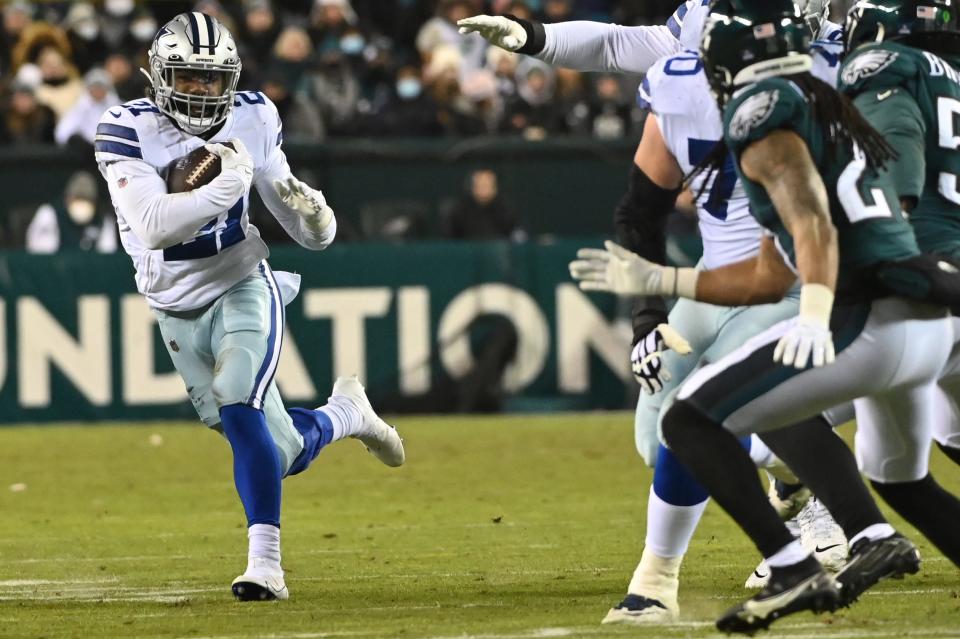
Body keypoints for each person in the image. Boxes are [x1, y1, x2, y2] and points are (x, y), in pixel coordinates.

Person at [570, 0, 959, 631]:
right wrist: (661, 284)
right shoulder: (830, 94)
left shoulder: (763, 109)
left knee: (695, 419)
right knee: (904, 480)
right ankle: (856, 530)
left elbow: (809, 227)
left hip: (866, 314)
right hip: (925, 319)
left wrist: (811, 314)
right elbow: (773, 265)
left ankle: (788, 562)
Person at [463, 0, 849, 625]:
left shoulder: (839, 68)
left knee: (701, 418)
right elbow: (639, 195)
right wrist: (648, 318)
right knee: (657, 438)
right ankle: (794, 469)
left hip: (805, 285)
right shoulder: (686, 72)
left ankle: (657, 579)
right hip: (716, 283)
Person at [93, 11, 405, 602]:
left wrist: (316, 217)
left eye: (212, 79)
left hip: (241, 281)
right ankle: (346, 415)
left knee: (240, 406)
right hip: (173, 304)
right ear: (160, 77)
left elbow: (302, 226)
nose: (202, 90)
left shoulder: (255, 114)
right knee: (277, 450)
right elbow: (154, 225)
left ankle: (265, 565)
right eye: (188, 78)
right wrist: (226, 185)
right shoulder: (124, 127)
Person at [838, 0, 960, 565]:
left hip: (925, 288)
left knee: (889, 470)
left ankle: (803, 536)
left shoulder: (890, 67)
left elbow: (893, 180)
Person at [26, 171, 117, 254]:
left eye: (86, 200)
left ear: (94, 203)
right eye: (77, 198)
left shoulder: (102, 220)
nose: (81, 205)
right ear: (67, 199)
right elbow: (41, 255)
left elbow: (107, 255)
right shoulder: (49, 214)